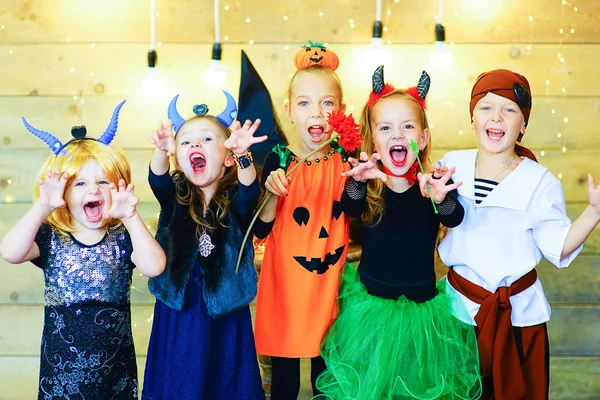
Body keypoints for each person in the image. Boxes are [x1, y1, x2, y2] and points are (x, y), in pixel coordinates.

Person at [0, 101, 166, 399]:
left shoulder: (123, 236)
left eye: (103, 181)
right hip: (60, 378)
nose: (93, 190)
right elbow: (11, 252)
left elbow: (154, 267)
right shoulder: (51, 237)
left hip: (114, 378)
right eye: (79, 184)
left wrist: (130, 216)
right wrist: (42, 206)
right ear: (62, 193)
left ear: (118, 186)